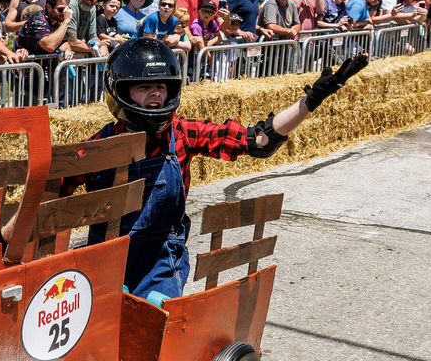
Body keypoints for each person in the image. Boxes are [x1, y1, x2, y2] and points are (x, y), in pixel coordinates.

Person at [66, 38, 366, 299]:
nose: (156, 94)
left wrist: (311, 101)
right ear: (120, 91)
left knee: (151, 326)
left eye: (161, 87)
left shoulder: (181, 133)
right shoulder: (96, 147)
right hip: (103, 259)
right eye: (145, 87)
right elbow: (51, 199)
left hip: (160, 259)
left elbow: (258, 140)